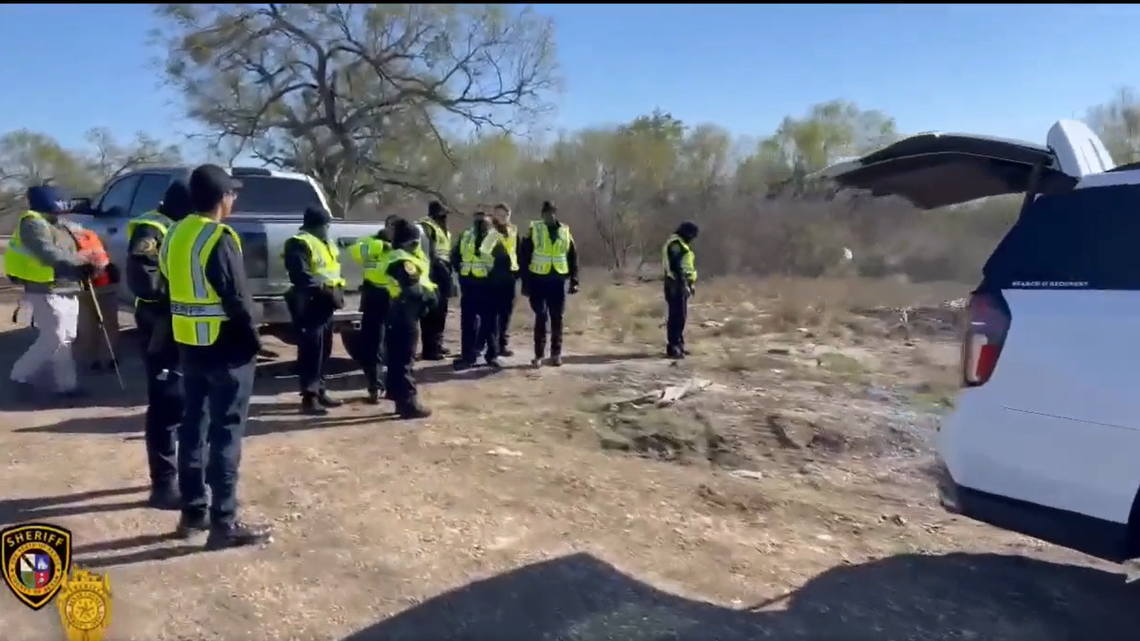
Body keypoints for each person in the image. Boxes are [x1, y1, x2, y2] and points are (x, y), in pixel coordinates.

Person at [158, 163, 271, 549]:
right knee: (225, 432)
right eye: (232, 193)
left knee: (193, 428)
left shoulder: (174, 233)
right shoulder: (218, 237)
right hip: (225, 349)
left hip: (189, 345)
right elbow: (236, 298)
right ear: (222, 198)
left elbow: (166, 284)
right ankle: (224, 522)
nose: (235, 198)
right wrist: (254, 340)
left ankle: (193, 513)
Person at [126, 181, 192, 510]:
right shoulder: (153, 228)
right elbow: (143, 277)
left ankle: (181, 474)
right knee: (166, 403)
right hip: (161, 322)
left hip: (183, 323)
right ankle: (163, 485)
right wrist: (173, 296)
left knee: (184, 402)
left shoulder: (182, 226)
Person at [5, 185, 103, 398]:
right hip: (44, 287)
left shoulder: (62, 223)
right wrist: (80, 263)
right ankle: (19, 376)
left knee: (67, 337)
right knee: (55, 338)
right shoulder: (32, 223)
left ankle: (66, 385)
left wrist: (95, 260)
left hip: (68, 285)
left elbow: (84, 243)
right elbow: (47, 253)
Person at [283, 206, 347, 415]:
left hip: (325, 302)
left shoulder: (324, 243)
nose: (328, 229)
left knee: (324, 348)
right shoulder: (299, 242)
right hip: (309, 301)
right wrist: (324, 290)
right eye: (326, 225)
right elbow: (300, 275)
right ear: (318, 225)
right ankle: (309, 397)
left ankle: (319, 390)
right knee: (311, 350)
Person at [382, 218, 437, 418]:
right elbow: (412, 290)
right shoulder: (402, 260)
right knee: (404, 359)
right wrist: (428, 298)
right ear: (410, 241)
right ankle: (408, 403)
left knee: (397, 358)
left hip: (400, 311)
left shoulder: (398, 256)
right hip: (405, 313)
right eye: (416, 241)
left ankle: (398, 397)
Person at [518, 201, 579, 368]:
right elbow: (524, 256)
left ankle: (556, 354)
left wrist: (574, 280)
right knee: (541, 316)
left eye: (552, 212)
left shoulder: (565, 231)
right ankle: (538, 355)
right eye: (546, 213)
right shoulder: (534, 230)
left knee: (557, 318)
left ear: (555, 213)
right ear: (542, 215)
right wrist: (525, 281)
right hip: (538, 280)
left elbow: (572, 256)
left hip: (557, 281)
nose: (549, 216)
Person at [450, 210, 509, 370]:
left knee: (490, 323)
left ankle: (492, 355)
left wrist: (496, 282)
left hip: (488, 287)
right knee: (468, 324)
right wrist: (460, 270)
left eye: (482, 221)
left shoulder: (495, 238)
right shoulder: (466, 236)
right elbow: (455, 256)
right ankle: (468, 357)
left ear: (489, 222)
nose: (479, 224)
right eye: (477, 221)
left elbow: (502, 263)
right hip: (469, 285)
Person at [348, 215, 398, 404]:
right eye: (390, 227)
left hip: (396, 297)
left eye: (396, 227)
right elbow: (355, 252)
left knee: (397, 344)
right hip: (374, 295)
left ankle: (394, 386)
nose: (393, 230)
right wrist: (381, 247)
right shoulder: (370, 241)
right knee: (373, 343)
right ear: (385, 226)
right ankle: (375, 386)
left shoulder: (404, 245)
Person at [73, 220, 121, 373]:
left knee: (88, 325)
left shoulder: (68, 238)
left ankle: (94, 359)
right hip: (100, 284)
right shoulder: (92, 234)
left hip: (88, 286)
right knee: (107, 324)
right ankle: (106, 358)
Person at [416, 201, 453, 361]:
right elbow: (430, 253)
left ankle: (437, 345)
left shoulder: (440, 228)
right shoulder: (427, 226)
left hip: (443, 271)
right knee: (432, 313)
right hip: (434, 273)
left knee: (441, 313)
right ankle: (429, 350)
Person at [662, 221, 699, 359]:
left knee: (680, 316)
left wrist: (691, 283)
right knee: (676, 317)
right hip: (675, 284)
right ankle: (673, 346)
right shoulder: (676, 245)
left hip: (680, 283)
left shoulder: (682, 244)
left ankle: (679, 344)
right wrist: (684, 285)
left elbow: (687, 266)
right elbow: (677, 267)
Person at [490, 203, 519, 357]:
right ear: (494, 215)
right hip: (493, 277)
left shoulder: (513, 231)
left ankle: (502, 344)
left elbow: (517, 251)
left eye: (505, 215)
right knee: (492, 314)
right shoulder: (490, 230)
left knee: (506, 313)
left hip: (509, 278)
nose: (502, 218)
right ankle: (491, 347)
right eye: (499, 215)